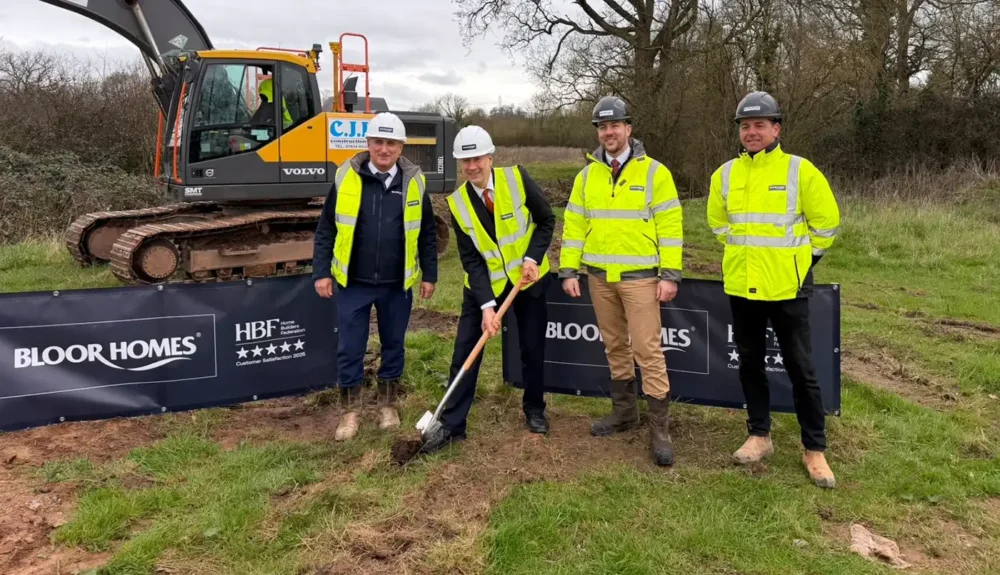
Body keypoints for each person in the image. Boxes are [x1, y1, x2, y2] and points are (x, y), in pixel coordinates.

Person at [707, 91, 840, 488]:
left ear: (776, 129)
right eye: (745, 126)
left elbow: (826, 225)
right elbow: (718, 224)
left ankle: (814, 449)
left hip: (788, 288)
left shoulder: (800, 171)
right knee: (750, 363)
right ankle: (759, 435)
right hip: (743, 286)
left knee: (802, 370)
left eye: (759, 125)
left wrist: (800, 264)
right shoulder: (725, 174)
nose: (751, 132)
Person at [559, 96, 684, 467]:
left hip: (642, 279)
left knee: (648, 351)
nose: (608, 132)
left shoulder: (654, 173)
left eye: (615, 126)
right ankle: (625, 414)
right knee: (615, 347)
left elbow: (671, 226)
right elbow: (575, 226)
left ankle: (660, 431)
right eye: (602, 127)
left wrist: (670, 274)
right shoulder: (586, 176)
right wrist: (569, 269)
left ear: (629, 129)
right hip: (599, 278)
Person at [418, 125, 556, 455]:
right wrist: (486, 307)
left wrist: (532, 257)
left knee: (532, 348)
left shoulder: (517, 178)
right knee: (466, 352)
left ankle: (534, 409)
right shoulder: (458, 204)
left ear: (490, 157)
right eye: (464, 161)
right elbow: (471, 259)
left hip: (528, 280)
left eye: (477, 158)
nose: (471, 167)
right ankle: (452, 424)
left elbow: (546, 220)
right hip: (484, 288)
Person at [312, 112, 438, 441]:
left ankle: (387, 405)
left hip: (396, 285)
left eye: (391, 143)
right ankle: (350, 412)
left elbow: (426, 232)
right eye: (378, 142)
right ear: (368, 144)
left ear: (401, 147)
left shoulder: (414, 181)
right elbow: (326, 228)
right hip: (353, 283)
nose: (384, 149)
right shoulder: (346, 177)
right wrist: (322, 271)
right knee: (350, 348)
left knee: (394, 345)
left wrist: (430, 274)